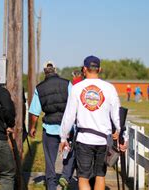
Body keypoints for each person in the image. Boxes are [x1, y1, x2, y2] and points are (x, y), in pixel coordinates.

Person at [59, 55, 127, 190]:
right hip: (103, 140)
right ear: (99, 69)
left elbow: (69, 116)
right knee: (100, 176)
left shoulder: (77, 88)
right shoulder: (109, 88)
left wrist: (63, 137)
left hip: (84, 139)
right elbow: (117, 116)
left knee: (83, 177)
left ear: (84, 69)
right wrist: (123, 137)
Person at [28, 61, 75, 190]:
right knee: (70, 153)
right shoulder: (67, 84)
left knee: (50, 159)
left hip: (49, 128)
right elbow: (74, 105)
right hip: (68, 128)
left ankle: (51, 185)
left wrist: (32, 128)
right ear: (55, 69)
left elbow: (34, 113)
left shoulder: (40, 88)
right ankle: (65, 176)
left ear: (44, 71)